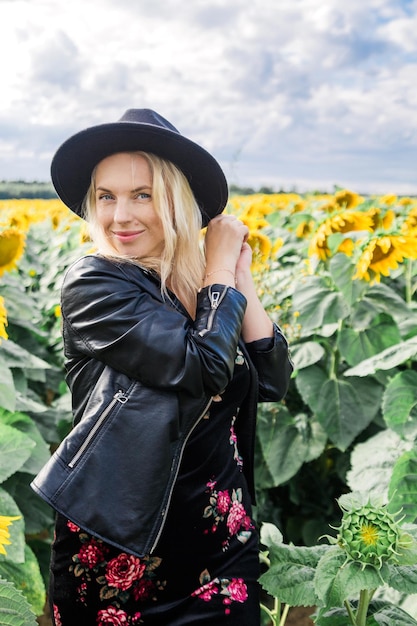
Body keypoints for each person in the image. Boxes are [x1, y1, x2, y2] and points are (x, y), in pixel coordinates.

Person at [31, 108, 293, 626]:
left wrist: (239, 278)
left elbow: (270, 376)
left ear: (177, 201)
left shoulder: (198, 288)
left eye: (142, 194)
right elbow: (203, 368)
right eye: (106, 196)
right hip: (124, 551)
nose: (120, 216)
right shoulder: (94, 285)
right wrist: (218, 268)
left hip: (220, 539)